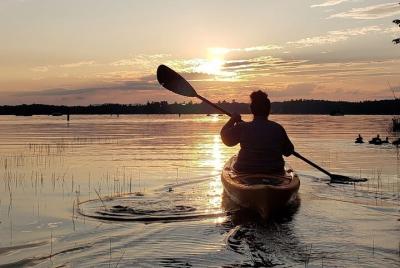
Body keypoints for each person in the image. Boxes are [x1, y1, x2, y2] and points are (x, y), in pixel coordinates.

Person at [220, 90, 294, 173]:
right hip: (274, 172)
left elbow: (226, 139)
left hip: (245, 171)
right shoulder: (278, 128)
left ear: (251, 109)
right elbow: (288, 151)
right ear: (268, 109)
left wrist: (232, 120)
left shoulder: (242, 127)